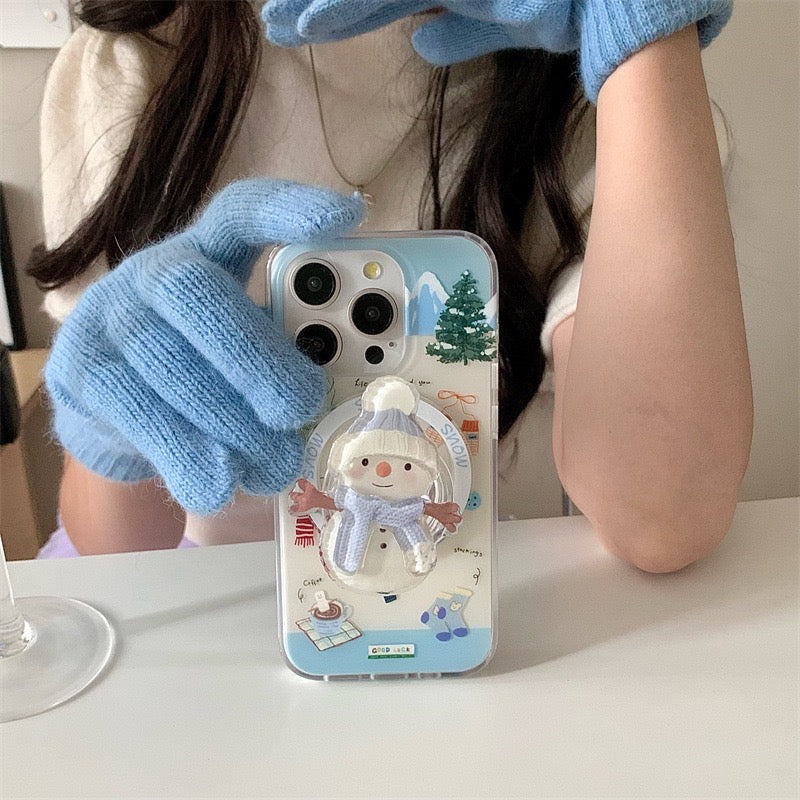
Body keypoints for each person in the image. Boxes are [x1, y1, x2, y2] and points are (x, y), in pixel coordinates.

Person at [31, 0, 752, 573]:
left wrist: (645, 28)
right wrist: (110, 433)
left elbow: (664, 513)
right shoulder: (136, 57)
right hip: (203, 599)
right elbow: (112, 552)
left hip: (435, 565)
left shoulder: (596, 84)